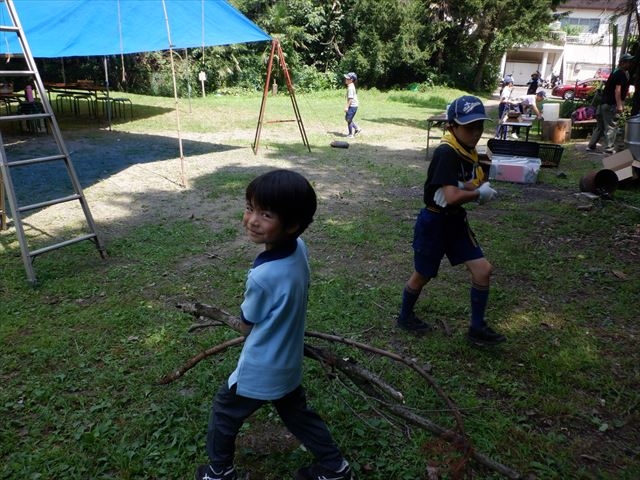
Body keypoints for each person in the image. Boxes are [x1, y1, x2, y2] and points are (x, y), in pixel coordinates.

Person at [195, 169, 353, 480]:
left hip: (262, 366)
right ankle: (336, 468)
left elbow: (247, 324)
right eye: (250, 208)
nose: (252, 220)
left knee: (225, 412)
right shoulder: (300, 249)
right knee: (298, 415)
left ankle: (218, 472)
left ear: (292, 225)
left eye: (266, 214)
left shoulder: (263, 276)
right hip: (288, 360)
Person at [396, 95, 506, 346]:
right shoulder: (447, 152)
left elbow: (457, 185)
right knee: (422, 274)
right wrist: (478, 194)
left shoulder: (465, 150)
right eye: (468, 127)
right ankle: (404, 316)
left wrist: (470, 186)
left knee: (483, 270)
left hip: (455, 222)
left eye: (479, 126)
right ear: (452, 127)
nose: (475, 133)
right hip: (434, 224)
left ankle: (477, 329)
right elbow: (451, 196)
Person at [588, 53, 635, 154]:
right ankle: (609, 148)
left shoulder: (614, 72)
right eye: (628, 62)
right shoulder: (621, 74)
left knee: (600, 126)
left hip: (602, 103)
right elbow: (617, 91)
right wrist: (619, 105)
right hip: (610, 104)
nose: (630, 64)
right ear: (622, 63)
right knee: (611, 126)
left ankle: (591, 145)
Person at [343, 72, 361, 138]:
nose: (346, 79)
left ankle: (351, 134)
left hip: (352, 106)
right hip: (353, 105)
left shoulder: (350, 87)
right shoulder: (351, 85)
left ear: (351, 80)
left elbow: (350, 99)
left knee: (348, 119)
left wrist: (347, 107)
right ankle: (357, 128)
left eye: (347, 78)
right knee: (347, 118)